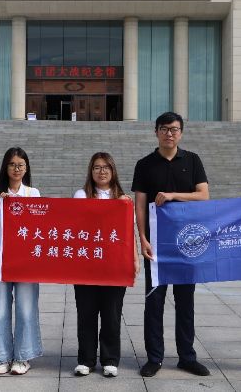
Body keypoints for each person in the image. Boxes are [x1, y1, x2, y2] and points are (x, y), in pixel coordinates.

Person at [131, 111, 211, 378]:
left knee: (185, 302)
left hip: (188, 244)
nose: (169, 133)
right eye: (164, 129)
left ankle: (187, 357)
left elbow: (204, 195)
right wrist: (142, 238)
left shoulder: (192, 160)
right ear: (156, 131)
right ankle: (154, 357)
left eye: (174, 129)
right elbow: (140, 206)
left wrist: (173, 195)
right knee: (154, 302)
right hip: (157, 245)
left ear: (181, 133)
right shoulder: (145, 164)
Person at [72, 152, 139, 378]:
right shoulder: (81, 195)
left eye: (106, 167)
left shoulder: (123, 199)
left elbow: (129, 233)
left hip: (114, 264)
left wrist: (134, 258)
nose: (102, 171)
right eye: (97, 167)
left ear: (113, 171)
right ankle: (86, 360)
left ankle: (110, 359)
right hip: (86, 264)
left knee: (112, 314)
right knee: (86, 313)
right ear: (91, 171)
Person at [0, 147, 42, 376]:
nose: (16, 169)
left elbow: (38, 224)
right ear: (5, 167)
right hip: (1, 261)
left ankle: (22, 357)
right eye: (12, 165)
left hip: (26, 262)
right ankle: (1, 357)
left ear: (26, 168)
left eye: (20, 165)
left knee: (26, 311)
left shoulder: (32, 193)